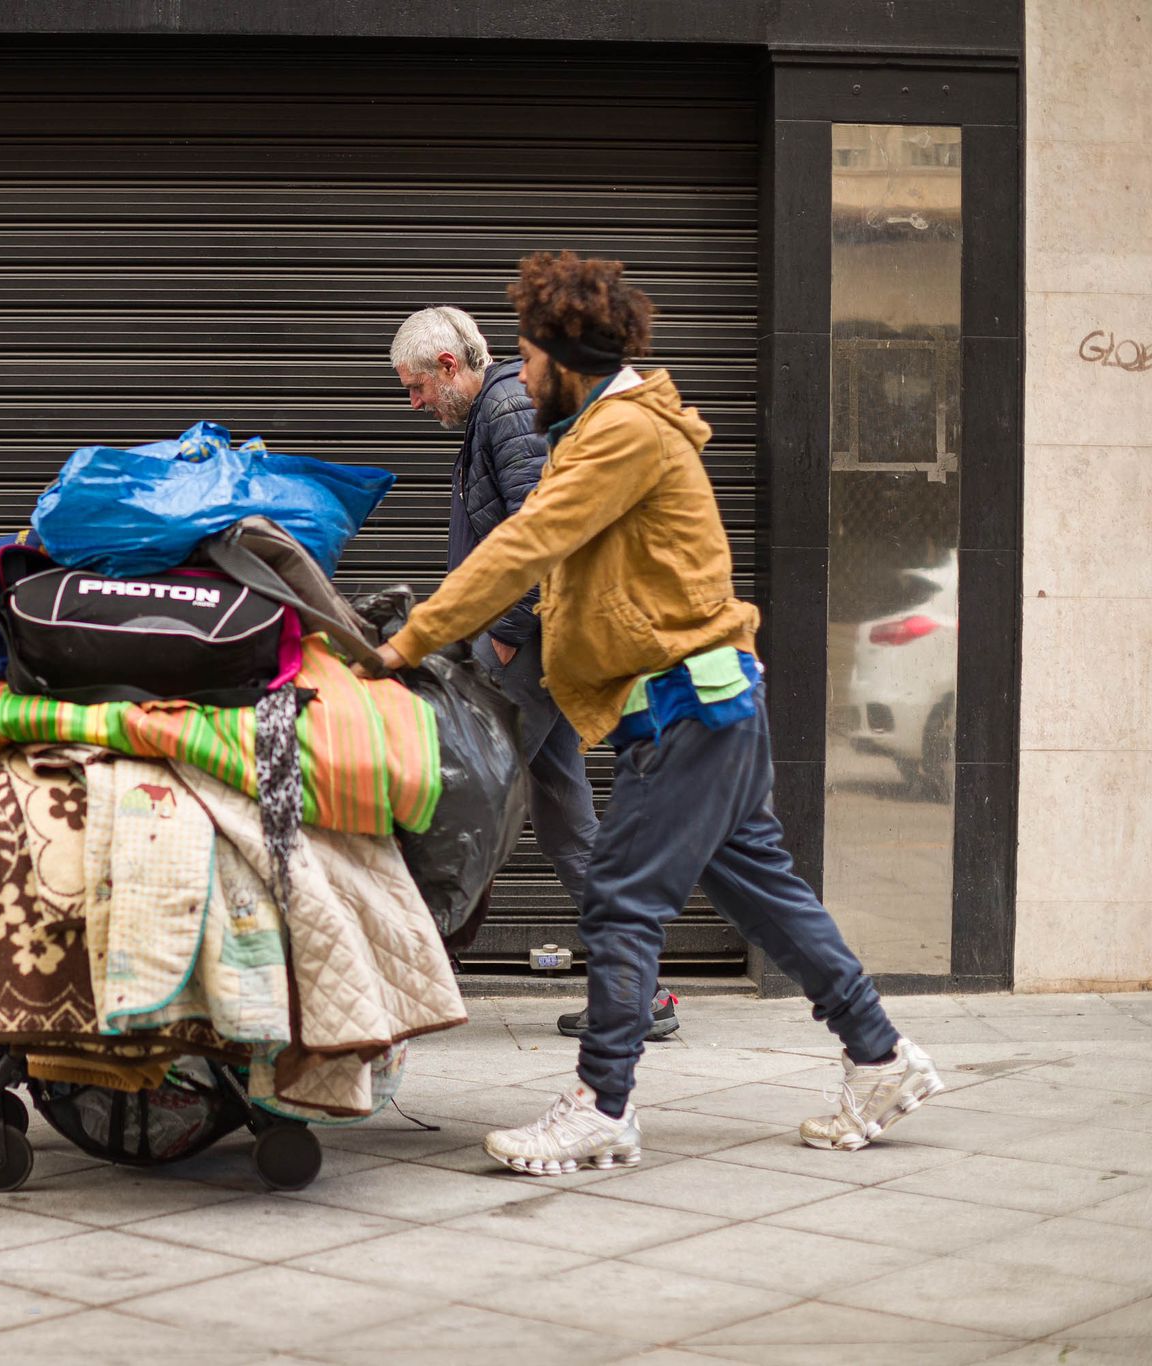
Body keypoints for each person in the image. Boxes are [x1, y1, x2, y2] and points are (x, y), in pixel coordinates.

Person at [369, 253, 943, 1175]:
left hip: (687, 703)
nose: (521, 376)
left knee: (621, 897)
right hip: (703, 700)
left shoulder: (621, 432)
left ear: (565, 358)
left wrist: (407, 643)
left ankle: (603, 1103)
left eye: (527, 357)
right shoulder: (610, 424)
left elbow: (528, 540)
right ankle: (881, 1054)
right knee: (768, 894)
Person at [390, 306, 678, 1042]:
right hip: (534, 644)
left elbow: (542, 526)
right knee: (563, 820)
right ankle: (638, 991)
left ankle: (404, 973)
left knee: (454, 792)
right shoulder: (498, 410)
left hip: (531, 644)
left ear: (449, 367)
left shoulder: (509, 408)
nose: (415, 404)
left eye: (417, 388)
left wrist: (510, 632)